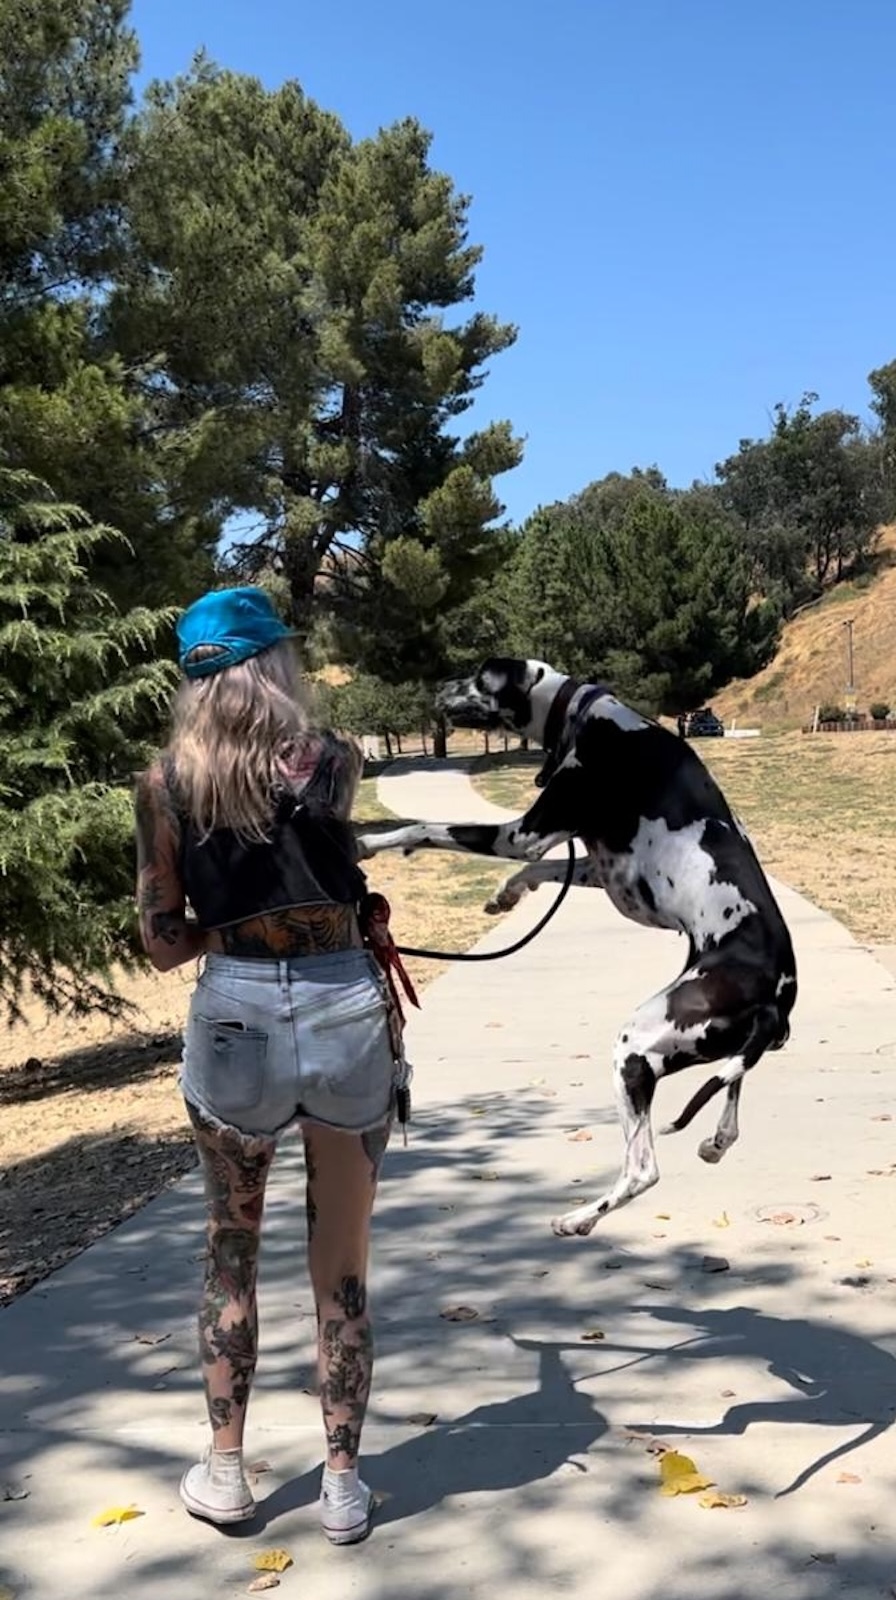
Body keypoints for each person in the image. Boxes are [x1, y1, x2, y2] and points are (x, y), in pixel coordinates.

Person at [134, 586, 403, 1545]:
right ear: (275, 665)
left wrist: (227, 926)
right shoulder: (334, 760)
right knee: (343, 1267)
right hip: (343, 1013)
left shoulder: (165, 783)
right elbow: (321, 869)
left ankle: (225, 1474)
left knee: (231, 1251)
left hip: (236, 1017)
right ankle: (342, 1487)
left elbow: (163, 942)